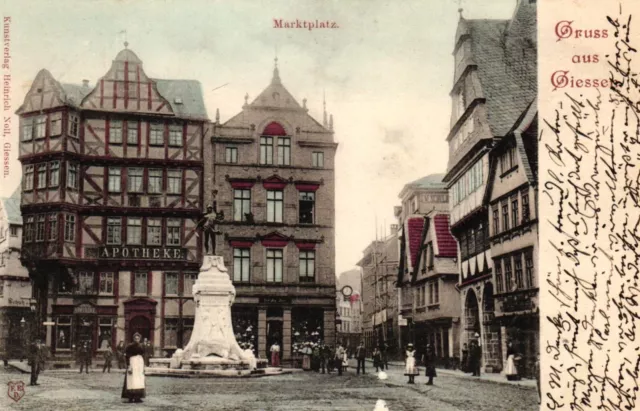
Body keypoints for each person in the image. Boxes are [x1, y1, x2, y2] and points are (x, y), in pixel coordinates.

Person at [122, 333, 146, 403]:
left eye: (138, 338)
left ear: (140, 339)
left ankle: (138, 397)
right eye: (135, 338)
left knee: (139, 380)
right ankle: (130, 397)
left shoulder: (142, 346)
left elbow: (144, 355)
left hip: (140, 363)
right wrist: (128, 365)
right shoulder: (129, 346)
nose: (137, 339)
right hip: (133, 362)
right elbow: (127, 356)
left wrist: (144, 365)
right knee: (132, 380)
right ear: (133, 338)